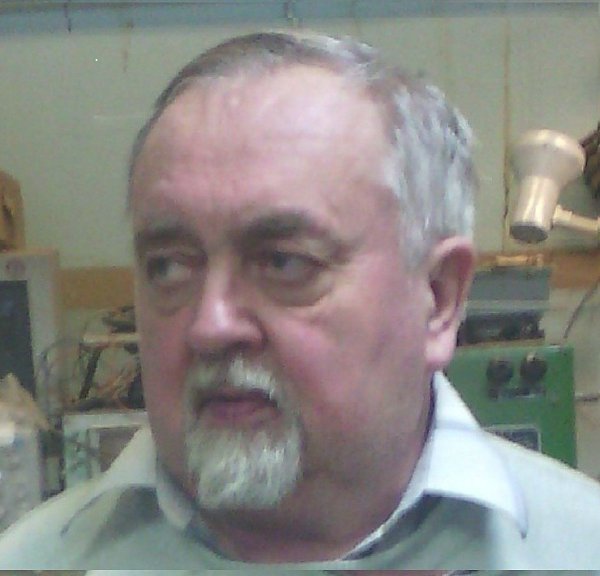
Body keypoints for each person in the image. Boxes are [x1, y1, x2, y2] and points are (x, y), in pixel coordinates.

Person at [1, 30, 600, 573]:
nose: (210, 325)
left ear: (439, 298)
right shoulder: (34, 560)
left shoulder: (576, 550)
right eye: (170, 266)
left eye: (284, 263)